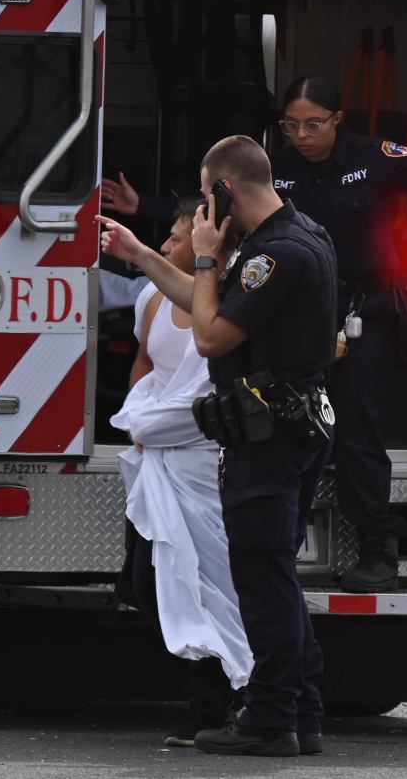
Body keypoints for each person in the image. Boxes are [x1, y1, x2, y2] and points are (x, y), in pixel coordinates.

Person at [98, 135, 339, 758]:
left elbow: (209, 335)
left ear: (226, 188)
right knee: (274, 576)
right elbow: (209, 303)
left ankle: (270, 716)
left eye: (209, 196)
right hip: (287, 430)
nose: (205, 213)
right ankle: (301, 713)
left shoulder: (274, 256)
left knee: (261, 582)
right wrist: (144, 255)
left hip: (268, 438)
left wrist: (205, 258)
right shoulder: (298, 235)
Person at [270, 75, 407, 593]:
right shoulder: (276, 168)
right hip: (295, 317)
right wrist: (145, 212)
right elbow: (223, 206)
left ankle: (377, 549)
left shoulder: (373, 156)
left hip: (365, 313)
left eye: (313, 124)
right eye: (291, 124)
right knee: (284, 424)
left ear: (338, 120)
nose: (301, 134)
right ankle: (275, 541)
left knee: (357, 428)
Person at [110, 199, 252, 748]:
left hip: (203, 462)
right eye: (166, 239)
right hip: (155, 460)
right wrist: (139, 421)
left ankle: (232, 697)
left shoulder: (234, 301)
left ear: (209, 246)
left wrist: (158, 425)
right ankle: (208, 696)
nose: (168, 246)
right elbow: (145, 364)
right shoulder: (152, 296)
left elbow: (213, 392)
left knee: (214, 584)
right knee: (149, 583)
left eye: (175, 239)